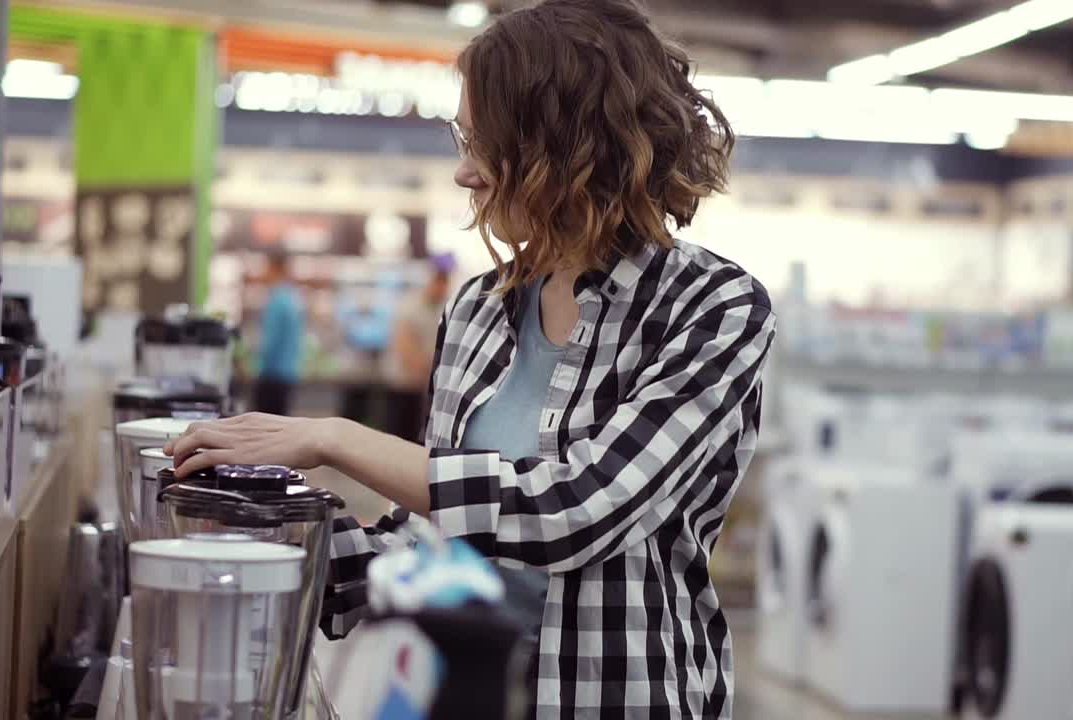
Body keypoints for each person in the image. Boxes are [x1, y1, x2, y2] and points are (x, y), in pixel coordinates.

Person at [166, 1, 775, 717]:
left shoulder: (713, 308)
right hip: (460, 692)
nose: (464, 174)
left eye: (486, 144)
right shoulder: (480, 309)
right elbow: (437, 538)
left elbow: (572, 511)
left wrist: (336, 438)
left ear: (570, 144)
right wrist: (260, 535)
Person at [381, 253, 455, 441]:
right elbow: (405, 350)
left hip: (428, 388)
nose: (442, 286)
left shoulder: (446, 307)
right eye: (439, 281)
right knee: (398, 439)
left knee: (419, 440)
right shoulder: (410, 307)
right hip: (404, 386)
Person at [251, 251, 304, 415]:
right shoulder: (292, 298)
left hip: (272, 376)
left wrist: (252, 365)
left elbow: (269, 343)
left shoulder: (277, 301)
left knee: (264, 429)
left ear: (275, 268)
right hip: (287, 374)